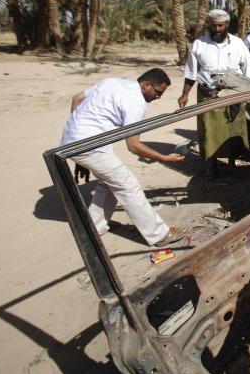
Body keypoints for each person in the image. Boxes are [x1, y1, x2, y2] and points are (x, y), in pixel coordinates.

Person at [60, 68, 185, 247]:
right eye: (157, 92)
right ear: (146, 85)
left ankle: (95, 225)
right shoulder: (136, 102)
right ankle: (159, 234)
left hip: (71, 141)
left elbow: (77, 98)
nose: (158, 97)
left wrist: (76, 136)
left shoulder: (112, 82)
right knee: (128, 185)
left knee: (109, 181)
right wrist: (164, 158)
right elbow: (133, 145)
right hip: (89, 146)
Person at [178, 9, 250, 176]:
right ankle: (211, 164)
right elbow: (191, 73)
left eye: (220, 25)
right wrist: (185, 94)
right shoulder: (200, 44)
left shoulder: (238, 44)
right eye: (214, 26)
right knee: (209, 130)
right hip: (207, 94)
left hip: (232, 94)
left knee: (233, 128)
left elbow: (249, 71)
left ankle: (232, 163)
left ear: (227, 25)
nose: (217, 29)